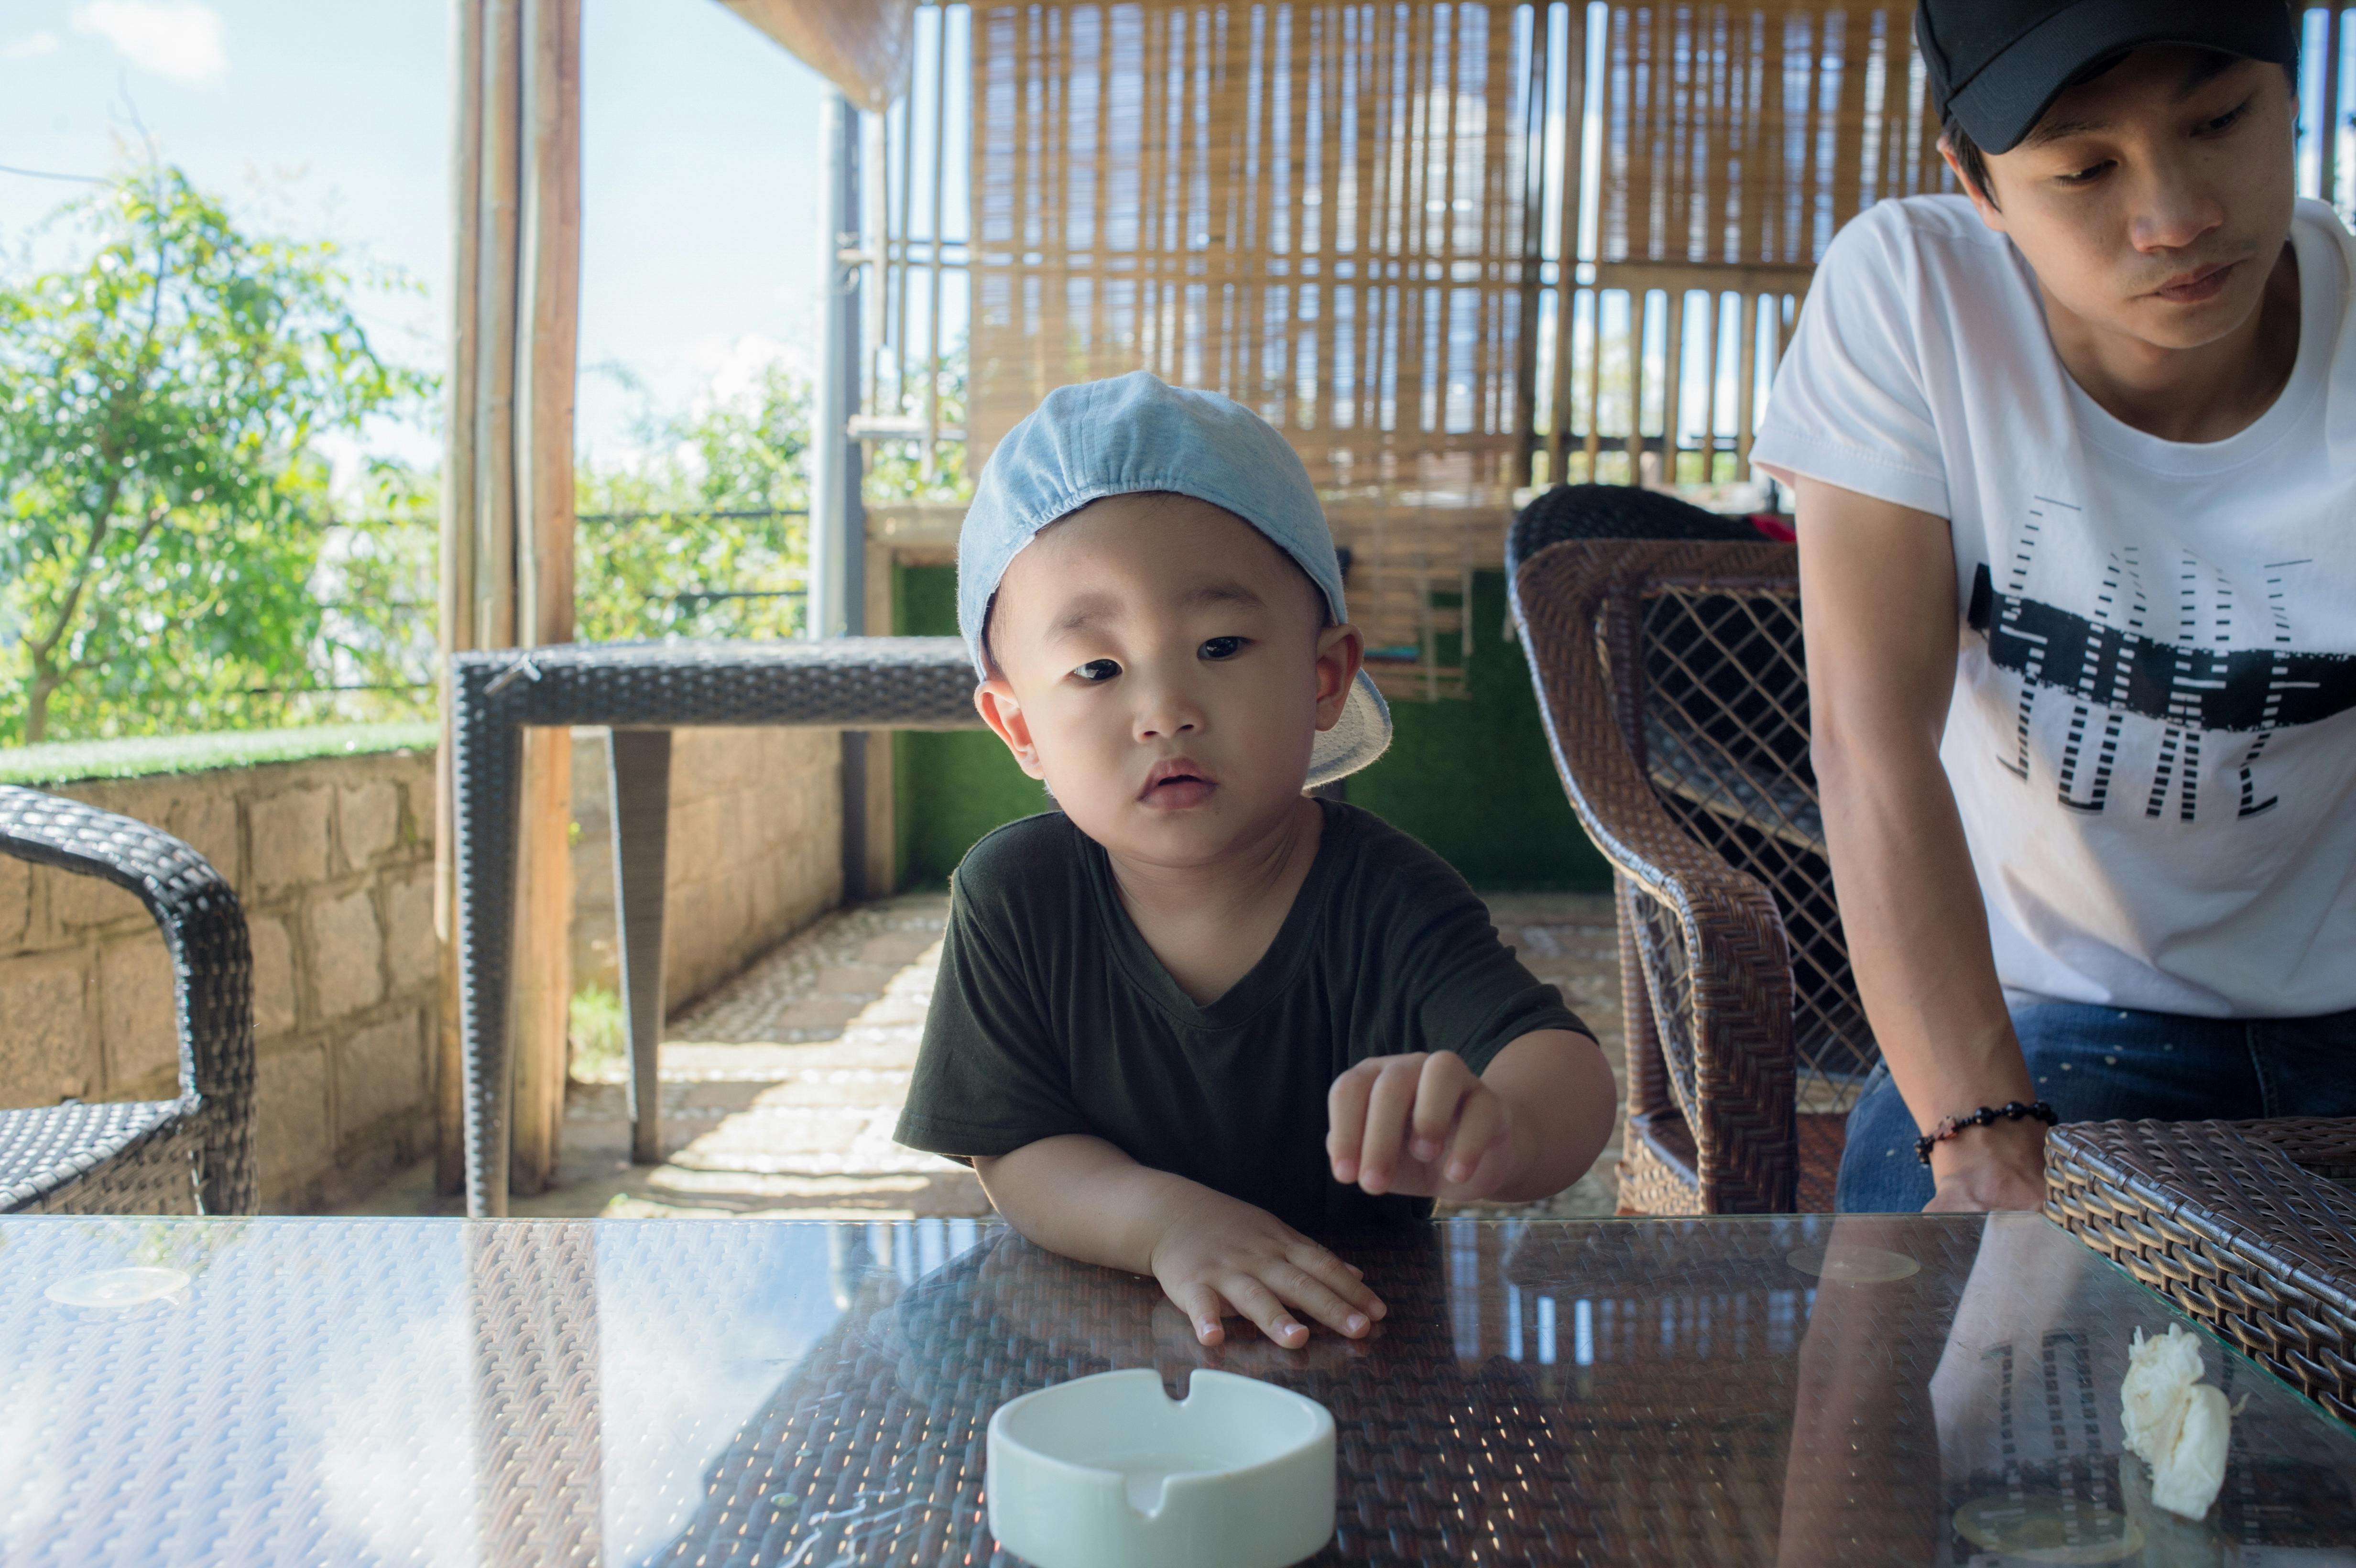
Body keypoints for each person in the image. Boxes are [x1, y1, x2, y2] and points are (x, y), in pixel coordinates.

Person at [1749, 0, 2356, 1214]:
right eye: (2084, 169)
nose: (2174, 216)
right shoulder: (1915, 295)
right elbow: (1871, 744)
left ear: (2294, 98)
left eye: (2220, 120)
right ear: (1978, 183)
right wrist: (1982, 1140)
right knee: (1933, 1316)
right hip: (2048, 1016)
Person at [894, 371, 1617, 1347]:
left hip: (1343, 1350)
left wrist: (1506, 1127)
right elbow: (1016, 1150)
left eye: (1221, 644)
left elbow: (1564, 1070)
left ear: (1324, 676)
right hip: (1089, 1348)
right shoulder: (1016, 896)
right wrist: (1169, 1224)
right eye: (1098, 668)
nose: (1165, 710)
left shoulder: (1385, 895)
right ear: (1018, 725)